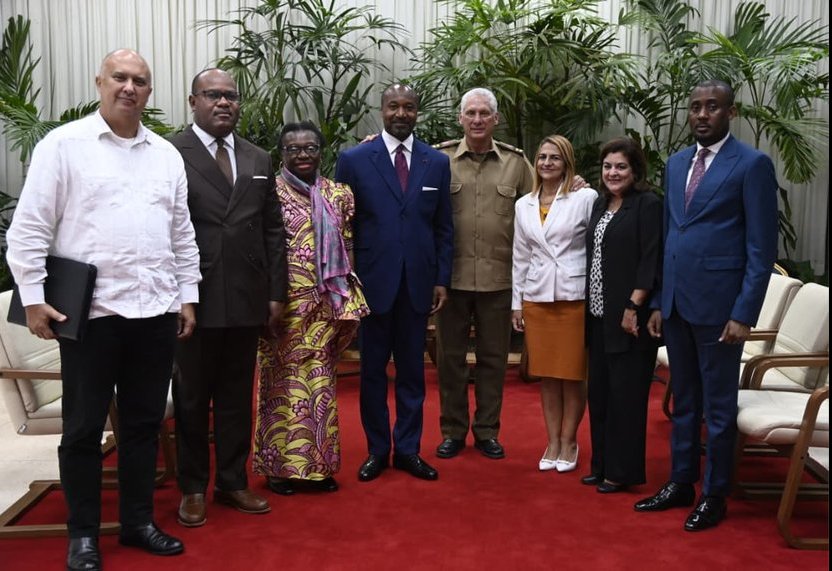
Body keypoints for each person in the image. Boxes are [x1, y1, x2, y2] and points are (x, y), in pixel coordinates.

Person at [6, 49, 200, 570]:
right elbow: (28, 229)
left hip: (154, 311)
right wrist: (32, 299)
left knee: (141, 426)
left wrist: (187, 295)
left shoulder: (165, 155)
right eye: (120, 77)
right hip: (88, 317)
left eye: (139, 80)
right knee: (84, 430)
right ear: (100, 82)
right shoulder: (64, 146)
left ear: (149, 91)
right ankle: (84, 534)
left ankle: (138, 523)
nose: (129, 87)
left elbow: (182, 234)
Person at [635, 80, 778, 531]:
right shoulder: (677, 164)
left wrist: (743, 313)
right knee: (684, 401)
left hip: (720, 309)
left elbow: (761, 248)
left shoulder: (752, 165)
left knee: (718, 407)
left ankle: (715, 493)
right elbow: (670, 238)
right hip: (677, 304)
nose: (701, 114)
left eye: (711, 107)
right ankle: (681, 481)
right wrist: (659, 300)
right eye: (695, 106)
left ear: (730, 113)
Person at [171, 68, 288, 527]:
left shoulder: (258, 157)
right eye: (212, 95)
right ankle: (194, 487)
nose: (223, 103)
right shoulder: (170, 153)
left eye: (231, 96)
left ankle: (234, 481)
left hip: (246, 296)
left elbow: (273, 229)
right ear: (192, 101)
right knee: (193, 398)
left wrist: (276, 292)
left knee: (239, 396)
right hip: (192, 300)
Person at [335, 83, 453, 482]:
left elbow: (443, 226)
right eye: (393, 106)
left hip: (418, 283)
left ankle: (407, 449)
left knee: (412, 374)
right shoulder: (353, 159)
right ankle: (376, 450)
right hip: (371, 284)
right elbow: (341, 226)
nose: (401, 113)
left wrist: (441, 278)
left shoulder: (435, 162)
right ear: (381, 110)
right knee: (371, 372)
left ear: (417, 111)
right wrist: (346, 281)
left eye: (408, 107)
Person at [253, 121, 369, 495]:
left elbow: (347, 247)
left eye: (309, 148)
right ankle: (278, 469)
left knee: (319, 387)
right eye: (293, 149)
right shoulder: (269, 192)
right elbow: (261, 250)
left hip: (323, 307)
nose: (302, 155)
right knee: (281, 386)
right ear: (281, 154)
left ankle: (318, 468)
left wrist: (347, 296)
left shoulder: (339, 194)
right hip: (282, 306)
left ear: (322, 151)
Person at [432, 88, 534, 461]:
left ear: (495, 119)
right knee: (450, 360)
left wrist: (575, 186)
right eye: (470, 113)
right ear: (460, 118)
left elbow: (544, 204)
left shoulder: (516, 164)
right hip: (450, 281)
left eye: (484, 114)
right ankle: (453, 431)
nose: (477, 120)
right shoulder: (439, 160)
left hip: (500, 281)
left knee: (493, 361)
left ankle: (488, 431)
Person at [511, 134, 597, 473]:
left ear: (567, 163)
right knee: (547, 375)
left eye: (555, 158)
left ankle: (569, 440)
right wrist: (517, 303)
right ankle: (552, 442)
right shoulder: (524, 204)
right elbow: (520, 256)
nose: (547, 163)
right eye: (543, 157)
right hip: (537, 297)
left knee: (573, 374)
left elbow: (599, 244)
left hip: (573, 296)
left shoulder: (585, 197)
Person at [582, 137, 662, 493]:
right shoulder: (601, 204)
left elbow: (651, 258)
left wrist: (634, 305)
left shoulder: (648, 205)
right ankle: (600, 465)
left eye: (621, 167)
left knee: (626, 399)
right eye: (608, 166)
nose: (613, 173)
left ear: (635, 170)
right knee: (599, 395)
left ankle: (622, 470)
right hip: (598, 317)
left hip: (630, 320)